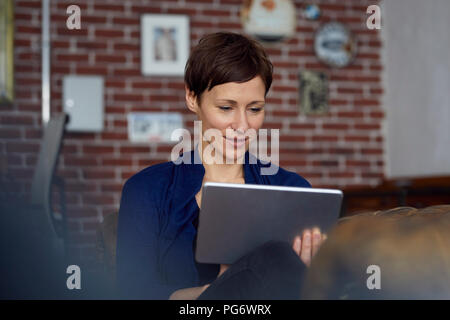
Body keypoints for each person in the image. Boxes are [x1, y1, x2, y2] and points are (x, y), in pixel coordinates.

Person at [116, 32, 326, 300]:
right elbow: (131, 293)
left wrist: (312, 272)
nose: (242, 125)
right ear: (192, 98)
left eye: (255, 109)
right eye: (226, 107)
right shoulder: (147, 190)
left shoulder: (292, 189)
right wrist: (217, 292)